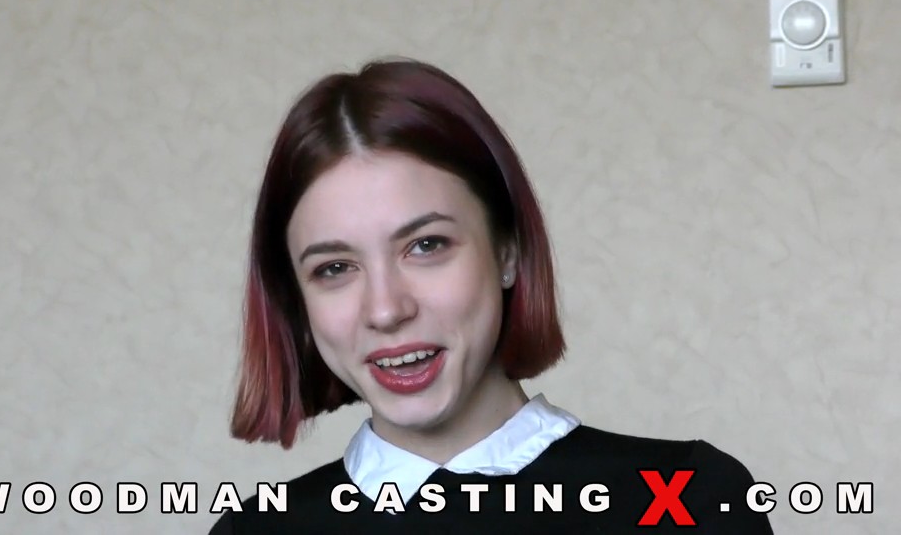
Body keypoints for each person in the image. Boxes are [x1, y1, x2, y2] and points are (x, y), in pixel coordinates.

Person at [210, 58, 773, 534]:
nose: (385, 309)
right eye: (335, 268)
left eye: (426, 245)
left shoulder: (690, 501)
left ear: (507, 251)